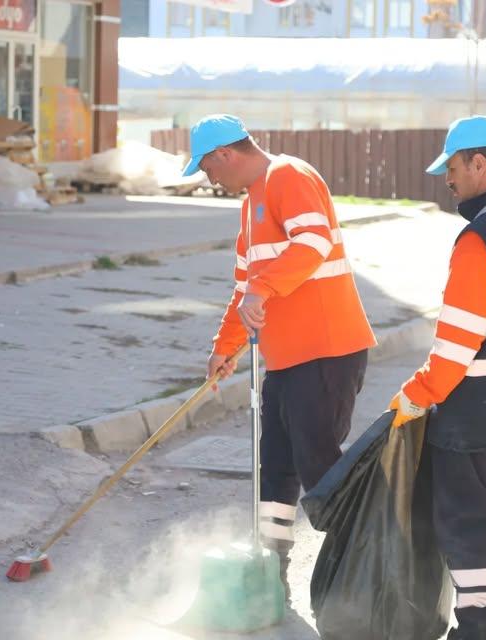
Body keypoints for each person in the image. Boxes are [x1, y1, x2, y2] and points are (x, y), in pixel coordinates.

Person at [182, 114, 376, 598]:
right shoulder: (250, 207)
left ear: (226, 153)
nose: (210, 179)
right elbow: (243, 288)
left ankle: (363, 570)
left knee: (319, 467)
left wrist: (262, 290)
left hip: (327, 351)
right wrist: (222, 349)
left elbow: (313, 243)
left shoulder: (289, 175)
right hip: (287, 359)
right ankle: (271, 575)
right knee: (277, 467)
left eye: (207, 168)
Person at [389, 115, 486, 640]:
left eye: (451, 168)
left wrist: (413, 398)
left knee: (471, 532)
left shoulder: (480, 237)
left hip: (478, 424)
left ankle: (476, 631)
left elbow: (456, 345)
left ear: (478, 164)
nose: (448, 179)